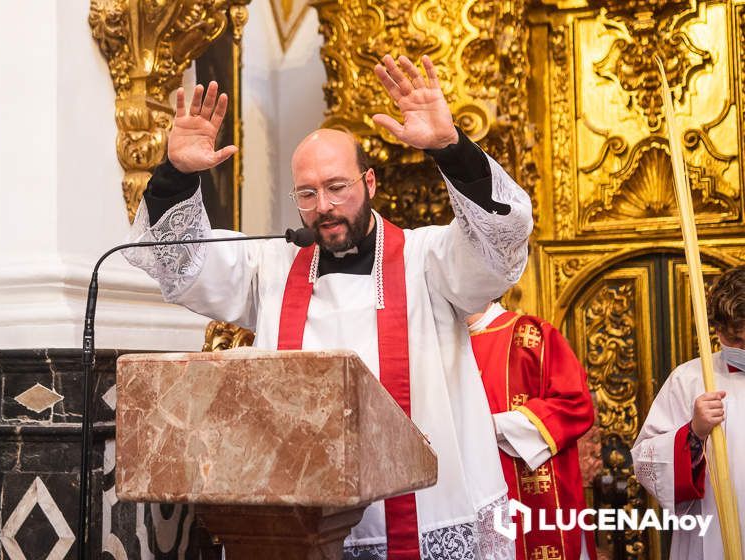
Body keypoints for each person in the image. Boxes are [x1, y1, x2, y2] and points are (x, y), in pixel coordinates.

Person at [125, 54, 533, 560]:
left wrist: (452, 150)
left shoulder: (430, 260)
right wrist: (175, 176)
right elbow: (179, 262)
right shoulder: (272, 266)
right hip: (302, 526)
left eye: (337, 186)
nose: (324, 205)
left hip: (427, 515)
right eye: (308, 193)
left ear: (370, 182)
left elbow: (500, 243)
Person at [467, 301, 597, 559]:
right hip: (471, 500)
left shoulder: (528, 334)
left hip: (533, 500)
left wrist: (495, 426)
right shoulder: (438, 346)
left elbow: (576, 404)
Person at [632, 265, 745, 559]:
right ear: (717, 330)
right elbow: (646, 461)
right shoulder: (689, 379)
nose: (743, 349)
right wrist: (694, 433)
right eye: (736, 341)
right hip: (713, 533)